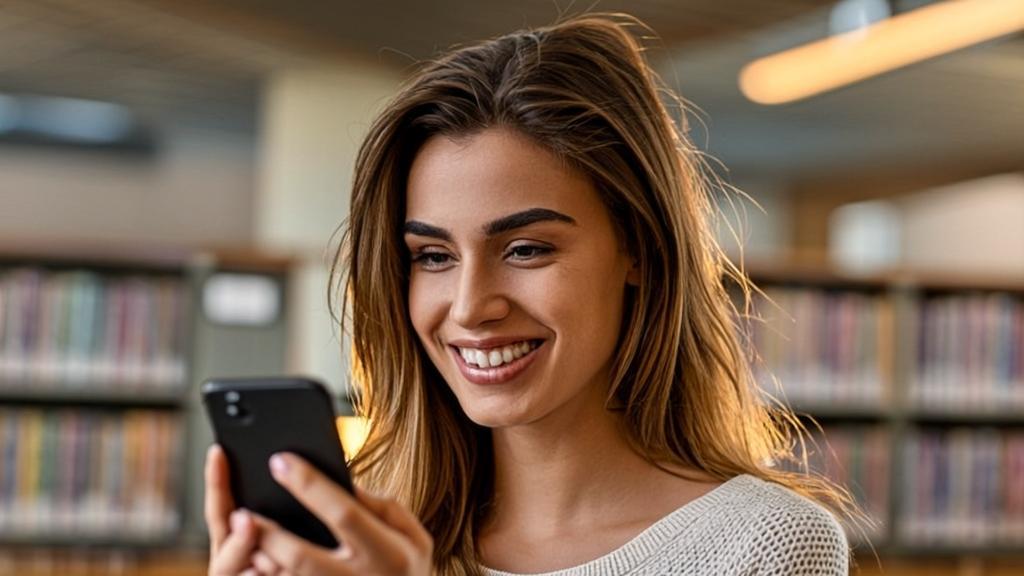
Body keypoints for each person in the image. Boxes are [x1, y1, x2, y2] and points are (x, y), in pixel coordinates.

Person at [205, 13, 853, 576]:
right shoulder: (363, 538)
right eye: (433, 256)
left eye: (526, 249)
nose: (468, 307)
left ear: (640, 251)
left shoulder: (766, 545)